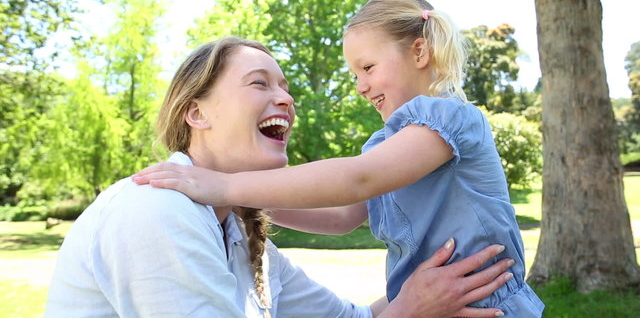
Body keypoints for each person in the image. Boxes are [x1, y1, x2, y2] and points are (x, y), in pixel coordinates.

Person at [133, 0, 545, 316]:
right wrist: (242, 197)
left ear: (419, 52)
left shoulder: (450, 119)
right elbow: (342, 214)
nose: (360, 86)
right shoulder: (386, 143)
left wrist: (223, 185)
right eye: (354, 75)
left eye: (368, 68)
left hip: (485, 303)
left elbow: (355, 179)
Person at [46, 36, 514, 317]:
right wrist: (408, 312)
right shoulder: (156, 210)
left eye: (287, 89)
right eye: (260, 83)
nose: (287, 100)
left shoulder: (241, 237)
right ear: (196, 113)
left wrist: (428, 295)